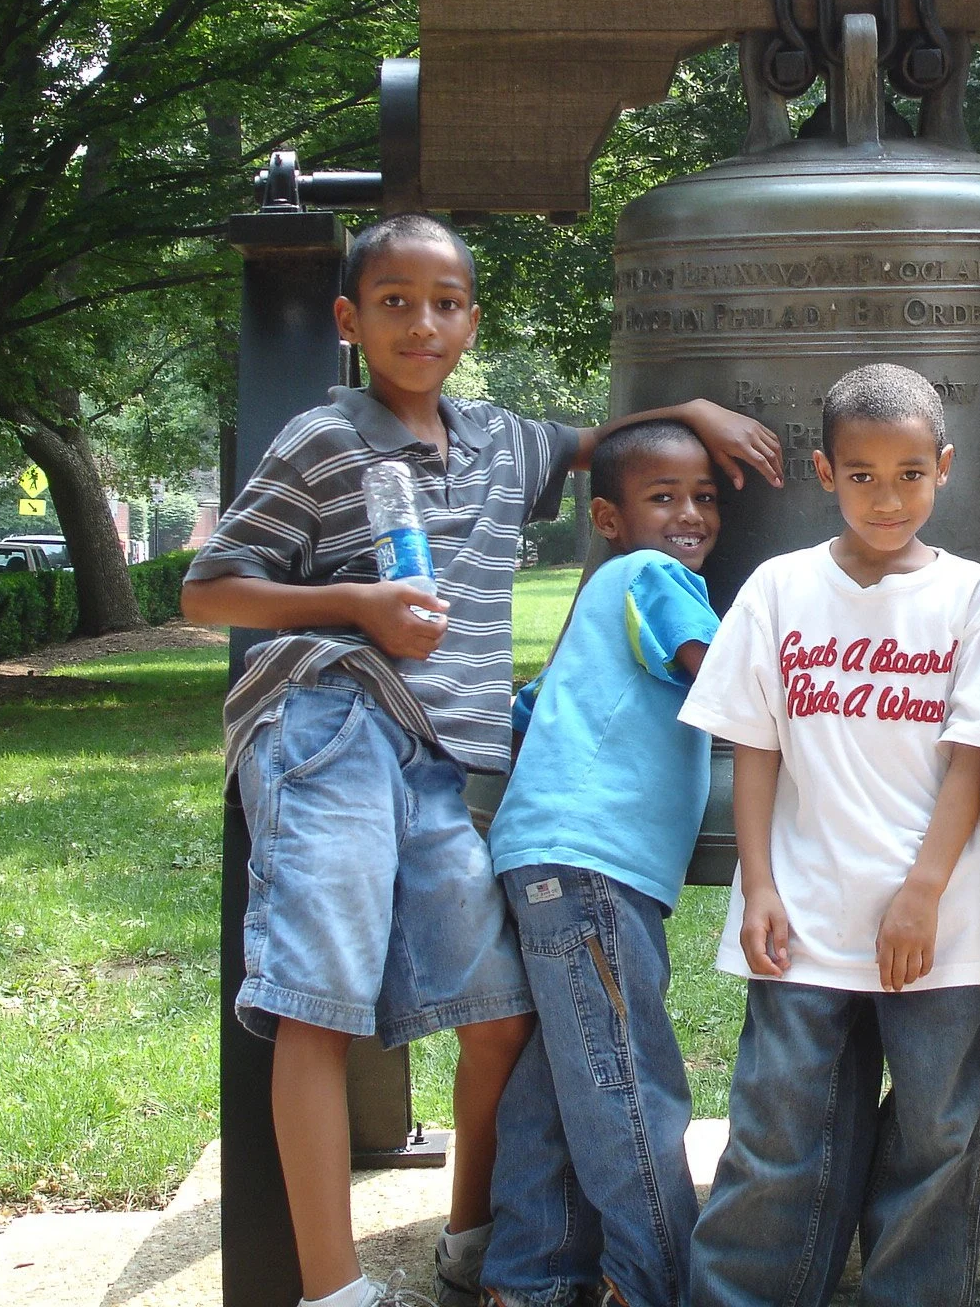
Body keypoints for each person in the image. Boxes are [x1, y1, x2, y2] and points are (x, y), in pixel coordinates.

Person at [180, 213, 782, 1307]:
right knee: (318, 1002)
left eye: (446, 302)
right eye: (397, 302)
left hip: (440, 764)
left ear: (471, 318)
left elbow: (601, 449)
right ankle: (331, 1289)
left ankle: (478, 1240)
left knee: (501, 1014)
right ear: (348, 321)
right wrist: (352, 601)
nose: (423, 323)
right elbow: (210, 588)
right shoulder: (324, 438)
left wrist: (684, 411)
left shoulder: (502, 441)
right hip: (331, 727)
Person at [677, 362, 980, 1307]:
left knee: (939, 1139)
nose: (888, 495)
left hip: (942, 924)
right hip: (807, 918)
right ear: (825, 474)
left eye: (911, 472)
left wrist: (924, 889)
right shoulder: (781, 590)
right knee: (778, 1136)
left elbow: (971, 755)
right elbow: (755, 745)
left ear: (945, 468)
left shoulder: (974, 595)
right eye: (862, 474)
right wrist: (758, 887)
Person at [480, 419, 727, 1307]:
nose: (691, 514)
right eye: (663, 498)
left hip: (549, 860)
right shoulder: (656, 578)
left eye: (705, 496)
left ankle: (529, 1279)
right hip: (595, 866)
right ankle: (658, 1284)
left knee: (564, 1083)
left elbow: (531, 708)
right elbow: (724, 678)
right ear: (610, 518)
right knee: (630, 1081)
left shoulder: (599, 602)